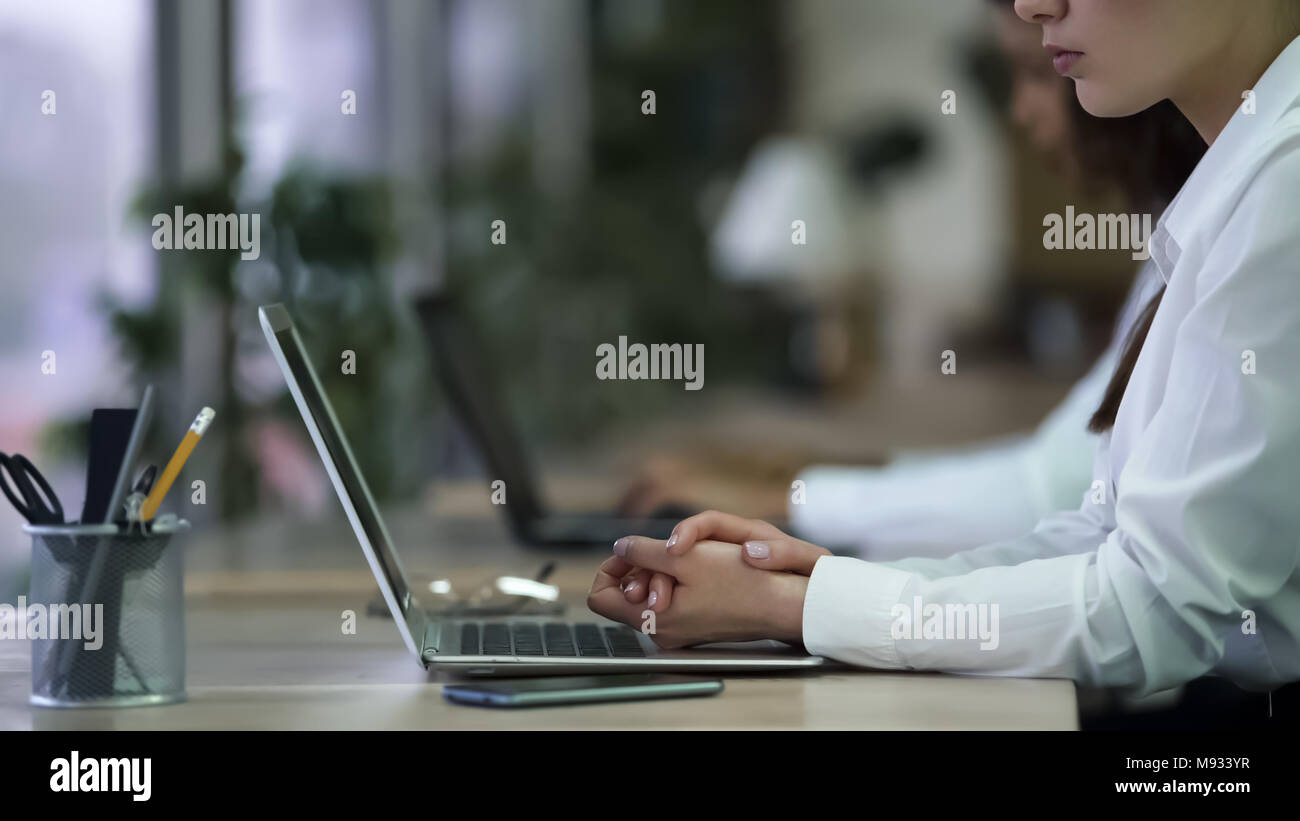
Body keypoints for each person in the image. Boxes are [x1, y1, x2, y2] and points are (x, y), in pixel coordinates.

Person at [589, 0, 1300, 715]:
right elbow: (1099, 533)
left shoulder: (1284, 191)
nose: (1034, 4)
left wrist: (792, 603)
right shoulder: (1247, 185)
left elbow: (1157, 604)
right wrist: (816, 584)